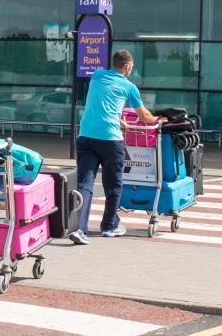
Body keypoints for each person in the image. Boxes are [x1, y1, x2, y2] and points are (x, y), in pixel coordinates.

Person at [68, 50, 160, 245]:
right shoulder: (129, 86)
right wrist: (158, 120)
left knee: (85, 183)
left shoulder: (97, 76)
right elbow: (144, 116)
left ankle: (79, 230)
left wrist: (118, 119)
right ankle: (109, 226)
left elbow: (100, 104)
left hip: (86, 137)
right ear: (127, 66)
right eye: (131, 67)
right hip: (110, 141)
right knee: (114, 184)